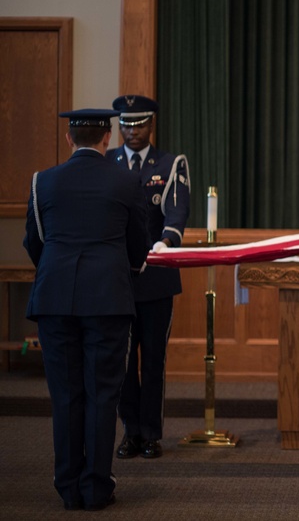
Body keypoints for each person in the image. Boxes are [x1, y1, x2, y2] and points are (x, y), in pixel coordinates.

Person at [24, 108, 149, 511]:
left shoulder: (43, 181)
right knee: (102, 394)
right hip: (107, 299)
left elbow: (34, 241)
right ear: (107, 137)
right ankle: (96, 487)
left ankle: (67, 486)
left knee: (65, 395)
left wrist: (57, 270)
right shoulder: (127, 181)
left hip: (55, 298)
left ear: (69, 139)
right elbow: (138, 246)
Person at [107, 95, 191, 460]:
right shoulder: (107, 163)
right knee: (123, 362)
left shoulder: (171, 164)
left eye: (139, 124)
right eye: (126, 124)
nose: (132, 131)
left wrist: (163, 243)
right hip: (117, 280)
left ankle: (152, 433)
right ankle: (131, 432)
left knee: (153, 359)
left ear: (151, 125)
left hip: (155, 277)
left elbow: (176, 215)